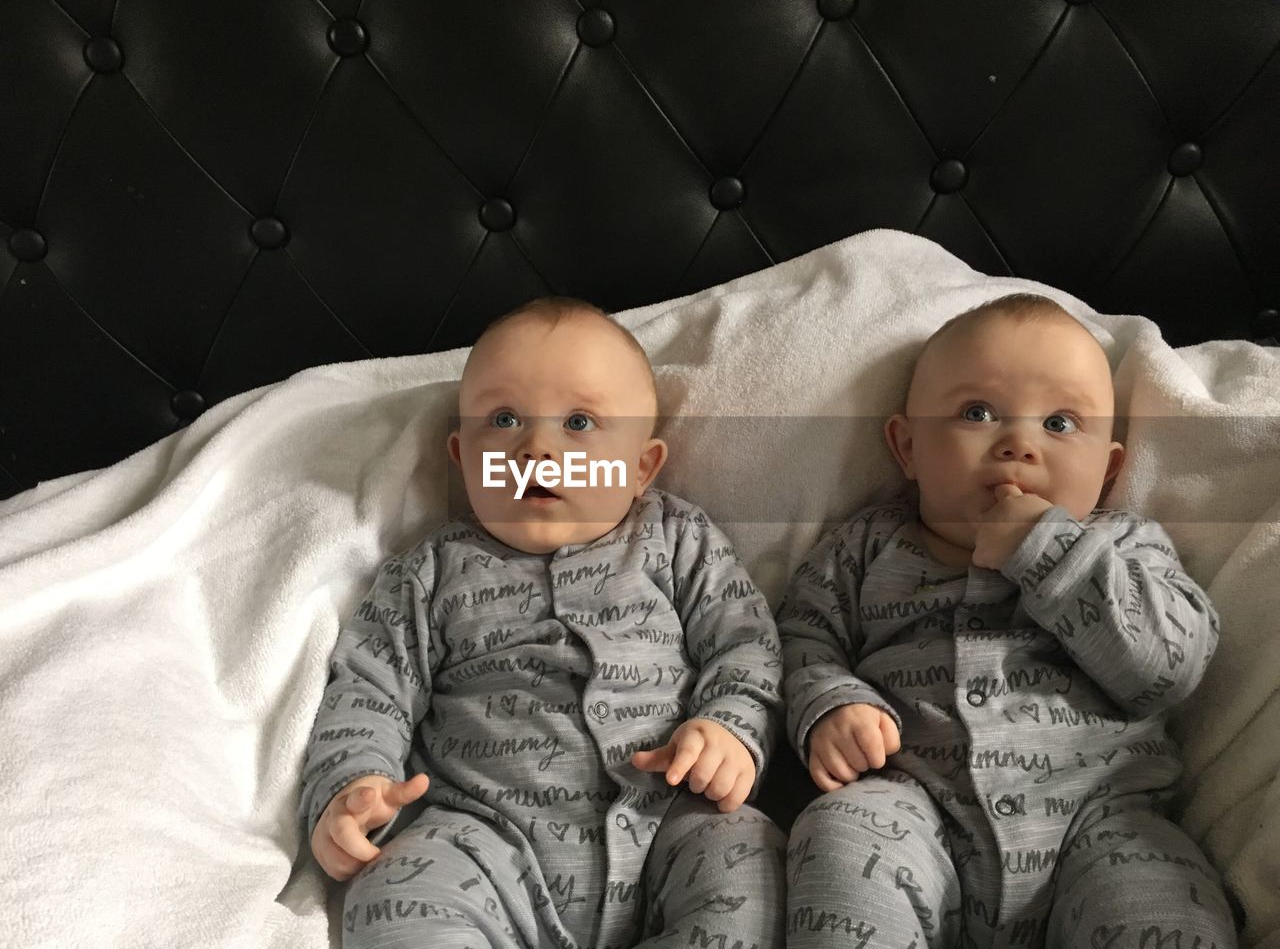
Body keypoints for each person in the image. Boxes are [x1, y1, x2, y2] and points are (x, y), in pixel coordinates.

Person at [299, 297, 786, 949]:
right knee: (394, 891)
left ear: (641, 467)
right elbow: (369, 690)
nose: (536, 447)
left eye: (580, 421)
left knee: (756, 866)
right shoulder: (430, 572)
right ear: (464, 456)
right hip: (482, 838)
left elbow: (744, 642)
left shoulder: (677, 541)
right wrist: (351, 786)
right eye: (503, 420)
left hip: (667, 818)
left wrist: (730, 727)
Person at [778, 294, 1237, 948]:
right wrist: (828, 703)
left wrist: (1052, 550)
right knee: (839, 832)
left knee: (1164, 909)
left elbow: (1168, 670)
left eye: (1058, 423)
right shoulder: (868, 547)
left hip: (1100, 820)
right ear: (907, 447)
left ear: (1108, 472)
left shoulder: (1124, 549)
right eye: (976, 413)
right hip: (913, 807)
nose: (1017, 444)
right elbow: (800, 636)